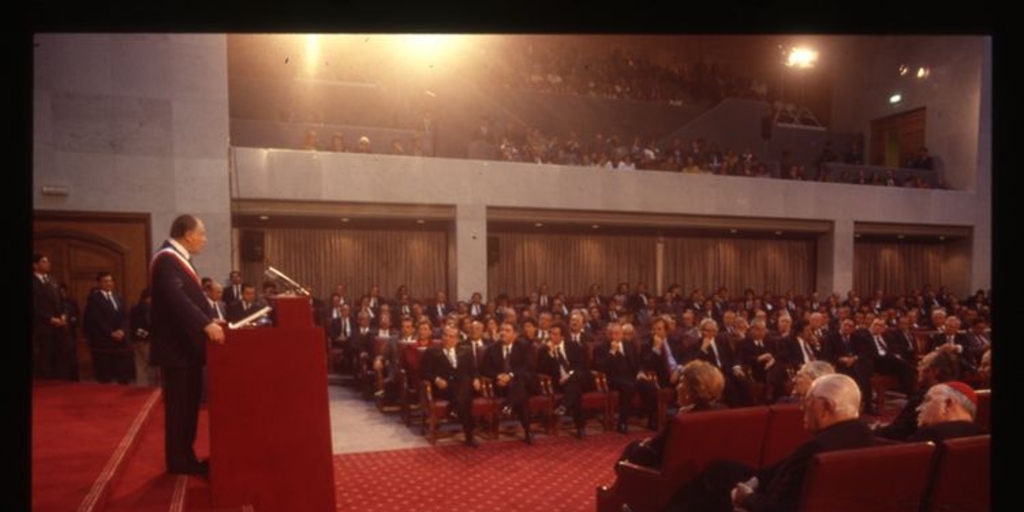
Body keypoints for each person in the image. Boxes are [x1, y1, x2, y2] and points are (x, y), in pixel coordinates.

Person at [670, 373, 873, 512]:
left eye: (807, 400)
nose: (802, 408)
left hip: (770, 503)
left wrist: (746, 496)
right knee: (720, 469)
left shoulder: (817, 449)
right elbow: (782, 467)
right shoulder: (864, 435)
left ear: (826, 407)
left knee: (708, 488)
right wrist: (757, 479)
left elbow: (777, 508)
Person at [149, 214, 225, 476]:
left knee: (189, 406)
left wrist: (209, 318)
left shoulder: (178, 259)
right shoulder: (166, 260)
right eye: (201, 234)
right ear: (187, 234)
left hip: (187, 350)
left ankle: (185, 457)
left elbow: (188, 300)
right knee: (180, 409)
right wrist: (205, 324)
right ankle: (179, 462)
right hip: (177, 351)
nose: (204, 240)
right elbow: (175, 299)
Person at [618, 360, 727, 470]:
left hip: (665, 477)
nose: (677, 387)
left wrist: (643, 446)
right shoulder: (722, 411)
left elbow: (652, 454)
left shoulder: (681, 421)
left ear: (691, 391)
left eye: (681, 382)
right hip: (700, 470)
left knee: (632, 447)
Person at [873, 349, 958, 441]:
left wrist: (873, 431)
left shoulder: (926, 396)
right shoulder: (956, 393)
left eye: (922, 364)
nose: (918, 369)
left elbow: (899, 432)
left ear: (934, 371)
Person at [422, 326, 481, 447]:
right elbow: (424, 372)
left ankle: (455, 408)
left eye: (451, 336)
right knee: (465, 394)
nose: (447, 339)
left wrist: (476, 379)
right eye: (445, 335)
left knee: (465, 383)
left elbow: (474, 371)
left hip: (463, 387)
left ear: (457, 339)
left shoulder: (466, 351)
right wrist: (437, 379)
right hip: (445, 388)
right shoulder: (431, 352)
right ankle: (469, 435)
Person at [83, 271, 133, 384]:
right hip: (104, 341)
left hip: (120, 341)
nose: (109, 284)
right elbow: (96, 320)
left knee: (123, 373)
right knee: (105, 374)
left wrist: (122, 330)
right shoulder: (94, 299)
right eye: (105, 281)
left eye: (110, 281)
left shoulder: (118, 296)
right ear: (99, 283)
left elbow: (125, 316)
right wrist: (111, 333)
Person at [33, 253, 72, 380]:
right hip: (43, 328)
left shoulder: (53, 280)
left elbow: (63, 302)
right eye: (44, 261)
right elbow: (34, 307)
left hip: (59, 327)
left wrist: (64, 315)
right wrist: (50, 319)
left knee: (61, 358)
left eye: (48, 261)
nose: (48, 263)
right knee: (46, 359)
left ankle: (60, 384)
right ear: (35, 265)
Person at [910, 381, 986, 442]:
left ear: (947, 405)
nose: (918, 408)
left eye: (927, 400)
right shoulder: (984, 436)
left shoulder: (930, 436)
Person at [130, 288, 157, 387]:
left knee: (140, 366)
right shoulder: (147, 309)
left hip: (137, 339)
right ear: (149, 297)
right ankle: (149, 388)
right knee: (150, 366)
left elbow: (134, 327)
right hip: (146, 341)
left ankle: (142, 387)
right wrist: (148, 336)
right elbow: (147, 325)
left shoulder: (135, 308)